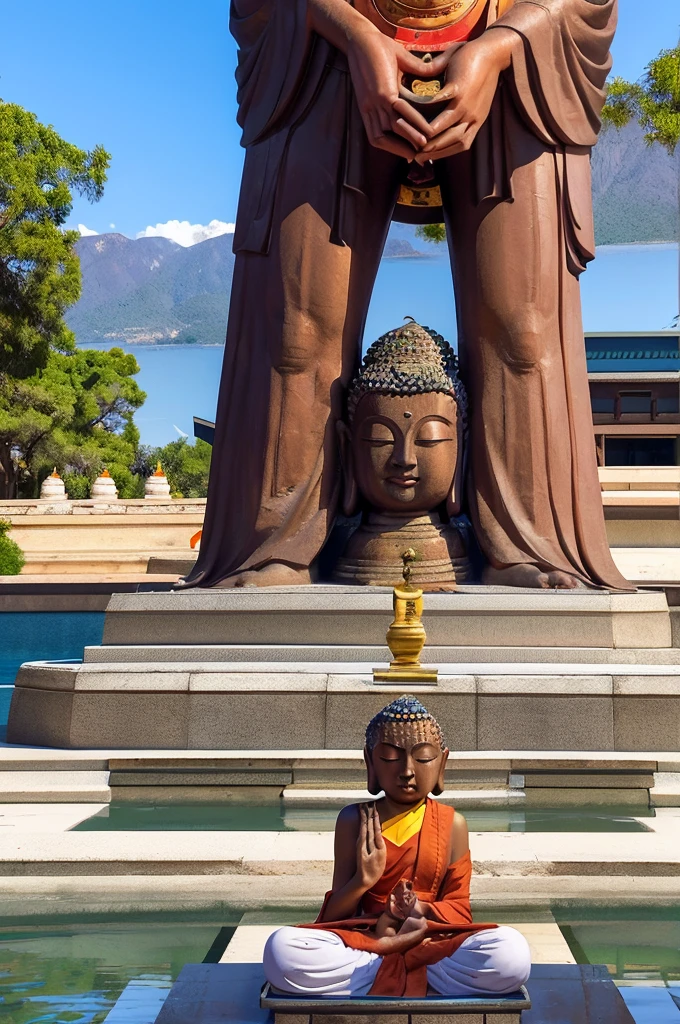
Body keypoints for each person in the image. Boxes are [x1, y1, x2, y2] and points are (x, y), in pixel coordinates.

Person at [182, 0, 633, 593]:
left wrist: (500, 45)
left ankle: (529, 540)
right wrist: (349, 30)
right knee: (296, 333)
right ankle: (273, 544)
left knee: (523, 330)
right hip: (323, 56)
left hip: (515, 50)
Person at [263, 696, 531, 997]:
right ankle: (404, 966)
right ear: (370, 762)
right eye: (390, 758)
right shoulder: (354, 820)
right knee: (282, 949)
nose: (406, 771)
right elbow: (332, 920)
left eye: (423, 758)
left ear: (442, 762)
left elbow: (460, 911)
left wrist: (419, 908)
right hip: (369, 941)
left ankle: (387, 969)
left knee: (511, 952)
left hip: (431, 943)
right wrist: (362, 881)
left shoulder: (452, 823)